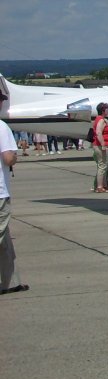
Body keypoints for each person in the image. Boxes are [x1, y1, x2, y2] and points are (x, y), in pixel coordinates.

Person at [1, 119, 28, 295]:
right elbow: (8, 158)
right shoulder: (1, 127)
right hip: (0, 193)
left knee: (5, 242)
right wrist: (15, 157)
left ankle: (9, 282)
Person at [91, 102, 108, 192]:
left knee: (104, 166)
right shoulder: (100, 120)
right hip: (100, 146)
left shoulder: (101, 119)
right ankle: (99, 187)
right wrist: (103, 144)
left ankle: (104, 185)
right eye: (107, 109)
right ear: (103, 110)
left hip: (101, 145)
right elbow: (98, 132)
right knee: (102, 166)